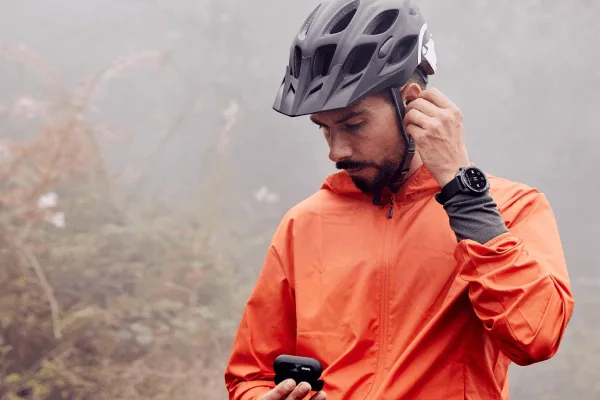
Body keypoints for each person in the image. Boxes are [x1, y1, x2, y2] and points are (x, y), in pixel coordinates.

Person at [224, 1, 574, 399]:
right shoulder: (303, 225)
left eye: (354, 124)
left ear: (410, 102)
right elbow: (250, 376)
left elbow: (537, 337)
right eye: (324, 128)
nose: (336, 151)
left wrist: (465, 195)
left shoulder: (510, 208)